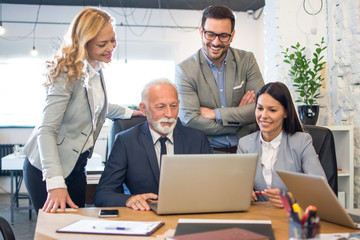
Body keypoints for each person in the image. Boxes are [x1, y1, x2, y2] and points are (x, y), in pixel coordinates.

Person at [22, 7, 143, 214]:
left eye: (113, 40)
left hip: (76, 167)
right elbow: (46, 130)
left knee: (76, 228)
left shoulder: (95, 68)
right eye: (102, 44)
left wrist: (132, 113)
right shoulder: (66, 73)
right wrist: (56, 183)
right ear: (83, 43)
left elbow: (97, 107)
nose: (111, 48)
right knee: (56, 231)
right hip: (48, 169)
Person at [94, 79, 212, 210]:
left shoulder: (197, 139)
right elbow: (103, 194)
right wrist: (129, 200)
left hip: (187, 215)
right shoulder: (126, 141)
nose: (169, 114)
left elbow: (212, 187)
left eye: (173, 106)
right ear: (143, 109)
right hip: (144, 218)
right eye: (160, 107)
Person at [175, 5, 264, 153]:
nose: (216, 42)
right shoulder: (185, 70)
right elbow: (190, 121)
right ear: (201, 32)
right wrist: (238, 119)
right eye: (210, 34)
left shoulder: (247, 60)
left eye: (223, 35)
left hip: (247, 151)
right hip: (207, 153)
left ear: (232, 35)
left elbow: (260, 108)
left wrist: (215, 114)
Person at [237, 82, 326, 208]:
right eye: (260, 108)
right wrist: (244, 192)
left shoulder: (301, 142)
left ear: (285, 113)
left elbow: (319, 186)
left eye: (272, 110)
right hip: (257, 217)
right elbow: (239, 184)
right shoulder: (245, 144)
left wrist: (293, 197)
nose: (263, 116)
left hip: (291, 217)